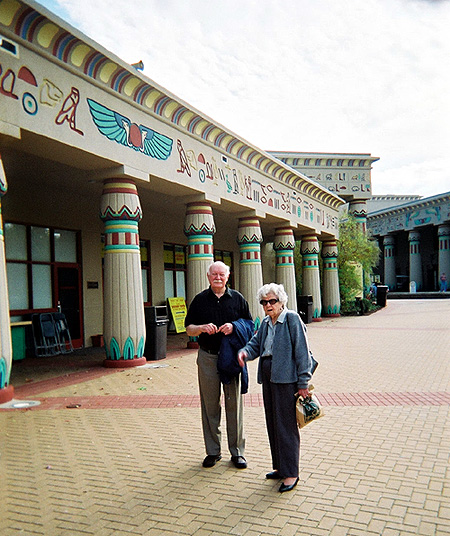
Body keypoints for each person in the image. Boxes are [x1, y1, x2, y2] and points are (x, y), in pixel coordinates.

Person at [238, 283, 316, 493]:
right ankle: (280, 467)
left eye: (272, 301)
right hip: (269, 378)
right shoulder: (265, 322)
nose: (268, 305)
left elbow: (302, 352)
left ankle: (291, 472)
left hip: (286, 380)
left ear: (282, 302)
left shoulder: (291, 319)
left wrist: (303, 383)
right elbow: (256, 344)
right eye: (264, 302)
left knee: (286, 427)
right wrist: (244, 353)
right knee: (273, 423)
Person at [185, 261, 252, 469]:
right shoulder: (199, 300)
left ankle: (237, 452)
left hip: (231, 358)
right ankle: (213, 451)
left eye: (221, 274)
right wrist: (201, 328)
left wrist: (234, 326)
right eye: (214, 274)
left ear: (228, 276)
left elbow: (250, 324)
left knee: (234, 405)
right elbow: (188, 328)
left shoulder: (238, 299)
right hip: (207, 357)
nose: (218, 277)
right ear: (208, 276)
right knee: (209, 405)